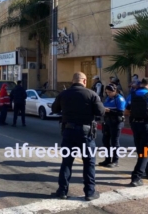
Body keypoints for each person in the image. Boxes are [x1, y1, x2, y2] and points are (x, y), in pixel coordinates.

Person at [51, 72, 105, 201]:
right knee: (89, 163)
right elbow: (100, 112)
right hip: (86, 133)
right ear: (84, 81)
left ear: (72, 81)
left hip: (68, 131)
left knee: (67, 162)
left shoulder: (63, 94)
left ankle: (62, 191)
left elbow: (54, 109)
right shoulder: (92, 94)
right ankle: (90, 192)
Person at [124, 77, 148, 187]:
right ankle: (136, 177)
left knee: (142, 150)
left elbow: (126, 112)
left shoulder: (131, 95)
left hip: (135, 126)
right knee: (146, 152)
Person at [98, 83, 126, 167]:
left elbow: (121, 112)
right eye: (107, 92)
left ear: (115, 91)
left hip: (116, 122)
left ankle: (115, 160)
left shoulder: (119, 99)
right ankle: (107, 159)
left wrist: (109, 111)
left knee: (114, 142)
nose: (108, 94)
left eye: (110, 92)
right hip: (107, 121)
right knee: (105, 141)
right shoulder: (107, 99)